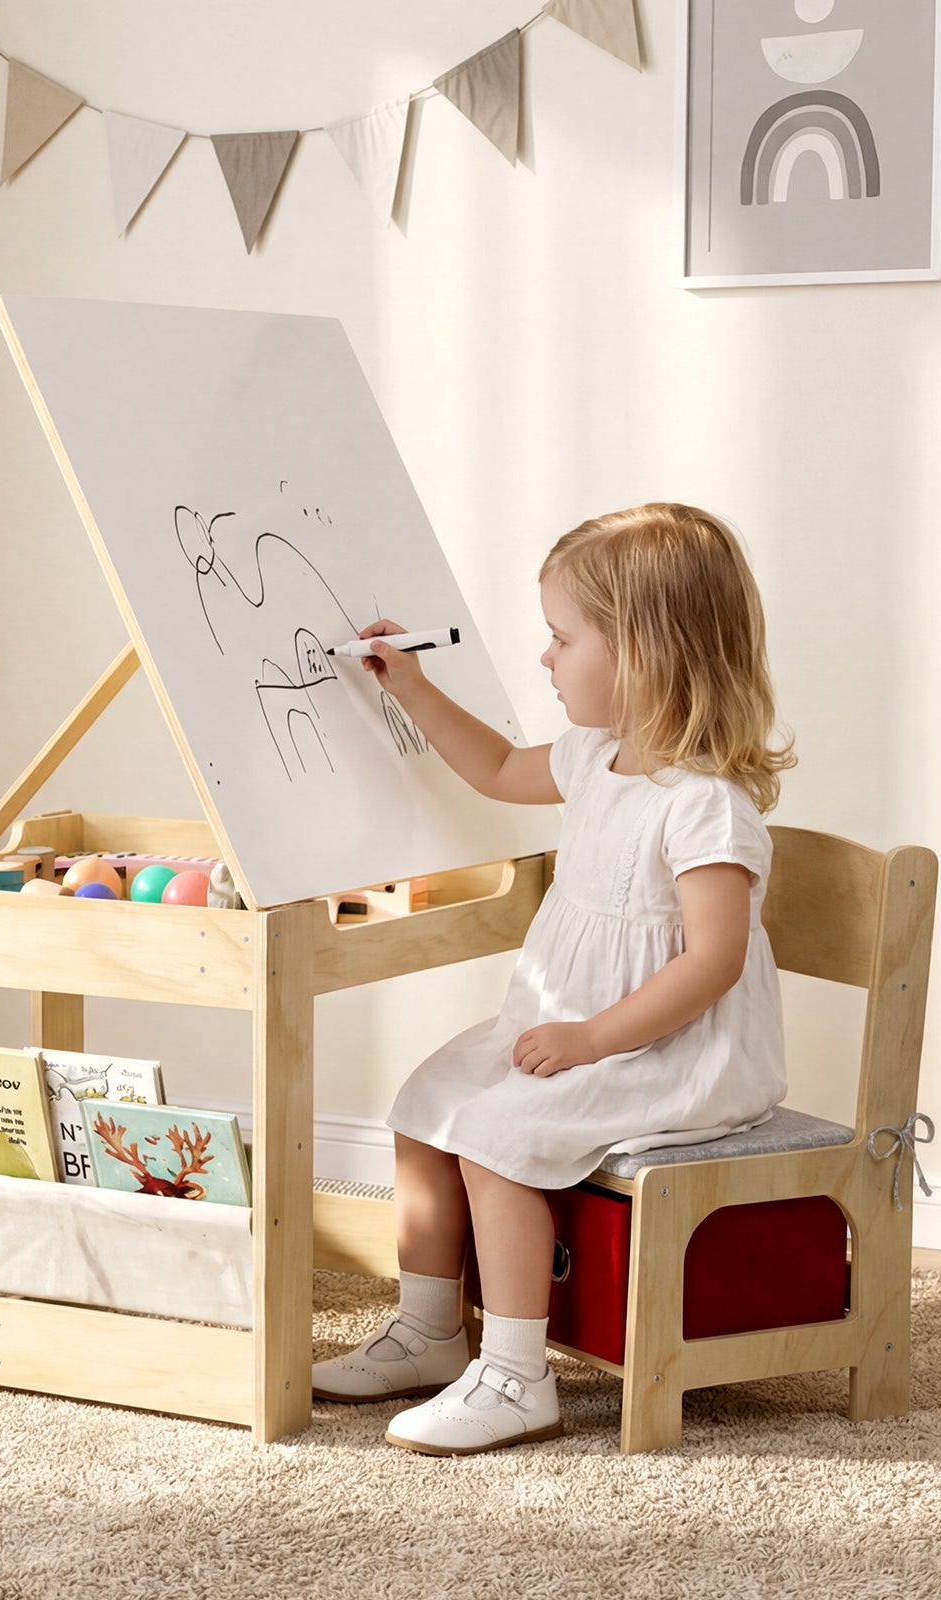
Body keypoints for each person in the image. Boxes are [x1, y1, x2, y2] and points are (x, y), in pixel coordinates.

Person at [312, 502, 796, 1457]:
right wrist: (409, 686)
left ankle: (517, 1373)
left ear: (646, 652)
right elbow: (493, 765)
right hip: (572, 1028)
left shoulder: (706, 808)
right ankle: (431, 1330)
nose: (544, 658)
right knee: (425, 1104)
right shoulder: (591, 758)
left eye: (561, 637)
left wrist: (590, 1038)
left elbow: (713, 961)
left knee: (492, 1138)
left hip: (675, 1052)